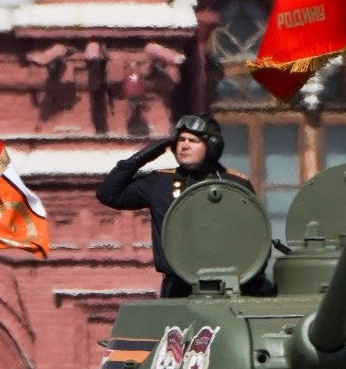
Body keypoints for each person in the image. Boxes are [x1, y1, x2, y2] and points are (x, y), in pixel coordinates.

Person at [95, 114, 253, 298]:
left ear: (212, 147)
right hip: (176, 287)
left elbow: (254, 234)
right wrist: (142, 157)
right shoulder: (161, 182)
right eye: (181, 140)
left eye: (193, 141)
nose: (184, 145)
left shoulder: (234, 184)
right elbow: (108, 194)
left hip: (225, 288)